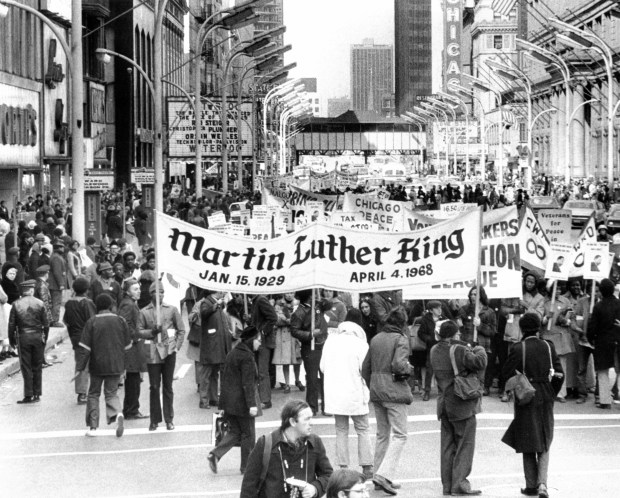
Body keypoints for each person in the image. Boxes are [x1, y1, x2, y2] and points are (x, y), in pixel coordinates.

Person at [502, 313, 564, 498]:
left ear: (521, 328)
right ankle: (543, 484)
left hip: (526, 394)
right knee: (545, 439)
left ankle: (530, 484)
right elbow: (560, 373)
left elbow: (505, 373)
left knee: (527, 438)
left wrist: (516, 387)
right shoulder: (548, 346)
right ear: (538, 328)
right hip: (546, 393)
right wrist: (552, 391)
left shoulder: (518, 348)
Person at [430, 320, 487, 496]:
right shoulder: (459, 349)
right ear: (455, 334)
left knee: (447, 446)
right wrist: (479, 348)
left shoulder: (434, 350)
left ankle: (447, 485)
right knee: (464, 445)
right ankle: (460, 484)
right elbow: (480, 362)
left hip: (443, 403)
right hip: (461, 402)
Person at [361, 306, 412, 496]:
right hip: (394, 390)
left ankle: (379, 476)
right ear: (403, 323)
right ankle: (383, 475)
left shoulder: (376, 338)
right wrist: (409, 369)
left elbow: (365, 368)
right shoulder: (401, 339)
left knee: (382, 434)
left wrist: (374, 384)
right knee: (400, 435)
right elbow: (399, 366)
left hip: (376, 389)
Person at [240, 400, 333, 498]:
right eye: (307, 419)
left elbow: (328, 475)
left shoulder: (314, 443)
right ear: (292, 422)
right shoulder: (266, 444)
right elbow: (249, 486)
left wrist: (315, 488)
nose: (311, 423)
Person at [321, 309, 373, 479]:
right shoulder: (361, 344)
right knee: (363, 429)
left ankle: (343, 466)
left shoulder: (330, 341)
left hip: (335, 393)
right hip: (355, 391)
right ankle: (367, 466)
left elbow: (322, 367)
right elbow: (365, 370)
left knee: (341, 429)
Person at [208, 326, 262, 475]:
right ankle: (247, 467)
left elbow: (225, 378)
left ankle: (215, 454)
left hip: (230, 402)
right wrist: (252, 405)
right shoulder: (247, 357)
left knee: (236, 432)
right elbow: (248, 383)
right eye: (258, 340)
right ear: (251, 340)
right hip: (242, 402)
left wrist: (223, 403)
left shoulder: (233, 353)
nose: (260, 343)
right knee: (248, 434)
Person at [76, 294, 131, 437]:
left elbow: (85, 348)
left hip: (97, 365)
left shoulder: (92, 322)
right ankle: (117, 413)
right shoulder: (120, 320)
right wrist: (124, 366)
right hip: (116, 364)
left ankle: (93, 427)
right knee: (111, 393)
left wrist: (79, 368)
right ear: (111, 306)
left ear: (96, 306)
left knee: (93, 394)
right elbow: (127, 346)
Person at [138, 281, 185, 431]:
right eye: (156, 292)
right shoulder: (144, 312)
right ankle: (154, 420)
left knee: (168, 386)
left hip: (169, 351)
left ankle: (169, 419)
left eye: (162, 292)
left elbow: (181, 330)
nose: (159, 295)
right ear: (150, 294)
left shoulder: (171, 309)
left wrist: (176, 346)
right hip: (153, 351)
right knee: (154, 386)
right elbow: (139, 331)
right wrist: (152, 332)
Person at [8, 280, 49, 404]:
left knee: (26, 366)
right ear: (31, 290)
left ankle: (28, 394)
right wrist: (45, 338)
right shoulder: (40, 303)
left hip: (23, 336)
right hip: (37, 336)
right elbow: (46, 324)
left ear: (23, 291)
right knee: (37, 366)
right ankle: (37, 393)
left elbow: (11, 325)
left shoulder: (16, 304)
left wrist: (12, 340)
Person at [291, 289, 327, 416]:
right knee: (312, 378)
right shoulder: (299, 312)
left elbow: (328, 304)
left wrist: (319, 293)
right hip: (310, 347)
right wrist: (310, 334)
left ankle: (326, 406)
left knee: (325, 377)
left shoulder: (317, 305)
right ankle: (312, 407)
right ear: (308, 296)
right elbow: (294, 331)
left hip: (323, 345)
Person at [118, 279, 149, 419]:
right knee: (133, 379)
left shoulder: (131, 304)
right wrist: (135, 336)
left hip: (133, 345)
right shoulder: (128, 305)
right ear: (127, 291)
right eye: (135, 289)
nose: (139, 291)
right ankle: (131, 410)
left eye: (139, 288)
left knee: (134, 379)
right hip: (131, 347)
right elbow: (123, 323)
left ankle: (131, 409)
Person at [587, 278, 620, 409]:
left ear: (600, 291)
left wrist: (591, 339)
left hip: (602, 342)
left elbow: (592, 327)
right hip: (618, 340)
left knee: (603, 371)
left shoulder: (598, 306)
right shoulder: (619, 304)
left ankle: (605, 401)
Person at [63, 277, 96, 405]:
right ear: (87, 290)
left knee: (81, 363)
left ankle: (85, 391)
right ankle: (82, 393)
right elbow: (93, 321)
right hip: (87, 336)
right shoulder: (87, 303)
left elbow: (66, 320)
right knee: (84, 365)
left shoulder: (69, 303)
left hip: (75, 337)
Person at [197, 289, 232, 409]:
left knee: (214, 374)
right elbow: (204, 313)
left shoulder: (218, 304)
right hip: (210, 345)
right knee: (206, 374)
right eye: (221, 291)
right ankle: (204, 400)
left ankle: (213, 399)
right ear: (215, 292)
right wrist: (215, 306)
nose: (223, 292)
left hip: (218, 344)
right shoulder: (206, 302)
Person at [541, 283, 574, 402]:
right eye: (556, 288)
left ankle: (561, 393)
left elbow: (571, 317)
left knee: (562, 365)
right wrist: (546, 318)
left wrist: (566, 321)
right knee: (547, 366)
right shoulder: (544, 302)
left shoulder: (565, 301)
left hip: (562, 337)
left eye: (560, 288)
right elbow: (540, 320)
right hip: (548, 336)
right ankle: (547, 391)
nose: (558, 290)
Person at [249, 293, 279, 409]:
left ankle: (266, 400)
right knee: (259, 370)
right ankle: (262, 398)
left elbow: (273, 318)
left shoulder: (260, 300)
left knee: (262, 371)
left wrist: (262, 332)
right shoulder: (257, 300)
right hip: (258, 339)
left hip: (262, 341)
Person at [272, 294, 302, 393]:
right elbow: (276, 320)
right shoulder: (278, 305)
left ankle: (297, 380)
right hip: (284, 335)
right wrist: (288, 321)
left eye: (291, 293)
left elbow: (301, 318)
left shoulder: (298, 304)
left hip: (295, 334)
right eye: (287, 293)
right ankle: (287, 383)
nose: (289, 295)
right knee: (285, 361)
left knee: (297, 359)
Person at [48, 241, 67, 326]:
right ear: (58, 248)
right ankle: (54, 320)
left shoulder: (56, 257)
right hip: (55, 284)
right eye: (61, 247)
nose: (63, 249)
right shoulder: (56, 258)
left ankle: (52, 320)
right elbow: (57, 272)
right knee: (56, 302)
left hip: (54, 283)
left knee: (54, 302)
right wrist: (61, 284)